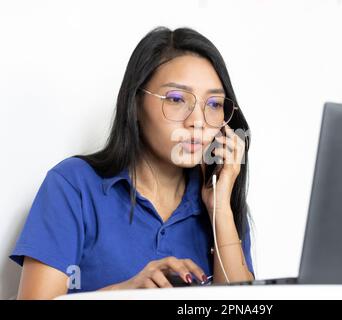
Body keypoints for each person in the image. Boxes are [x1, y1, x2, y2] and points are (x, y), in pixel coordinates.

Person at [10, 26, 255, 299]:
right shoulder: (73, 186)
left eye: (214, 104)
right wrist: (124, 292)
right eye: (176, 99)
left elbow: (242, 305)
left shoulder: (221, 203)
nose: (197, 121)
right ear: (135, 103)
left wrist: (220, 209)